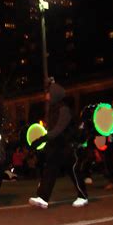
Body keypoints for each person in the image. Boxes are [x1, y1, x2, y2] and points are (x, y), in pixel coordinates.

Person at [28, 80, 88, 209]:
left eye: (48, 93)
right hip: (56, 145)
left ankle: (83, 196)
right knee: (49, 170)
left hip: (67, 145)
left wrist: (42, 139)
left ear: (54, 94)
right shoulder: (52, 109)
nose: (46, 95)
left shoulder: (64, 109)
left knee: (73, 170)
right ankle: (43, 198)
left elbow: (58, 129)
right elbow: (52, 130)